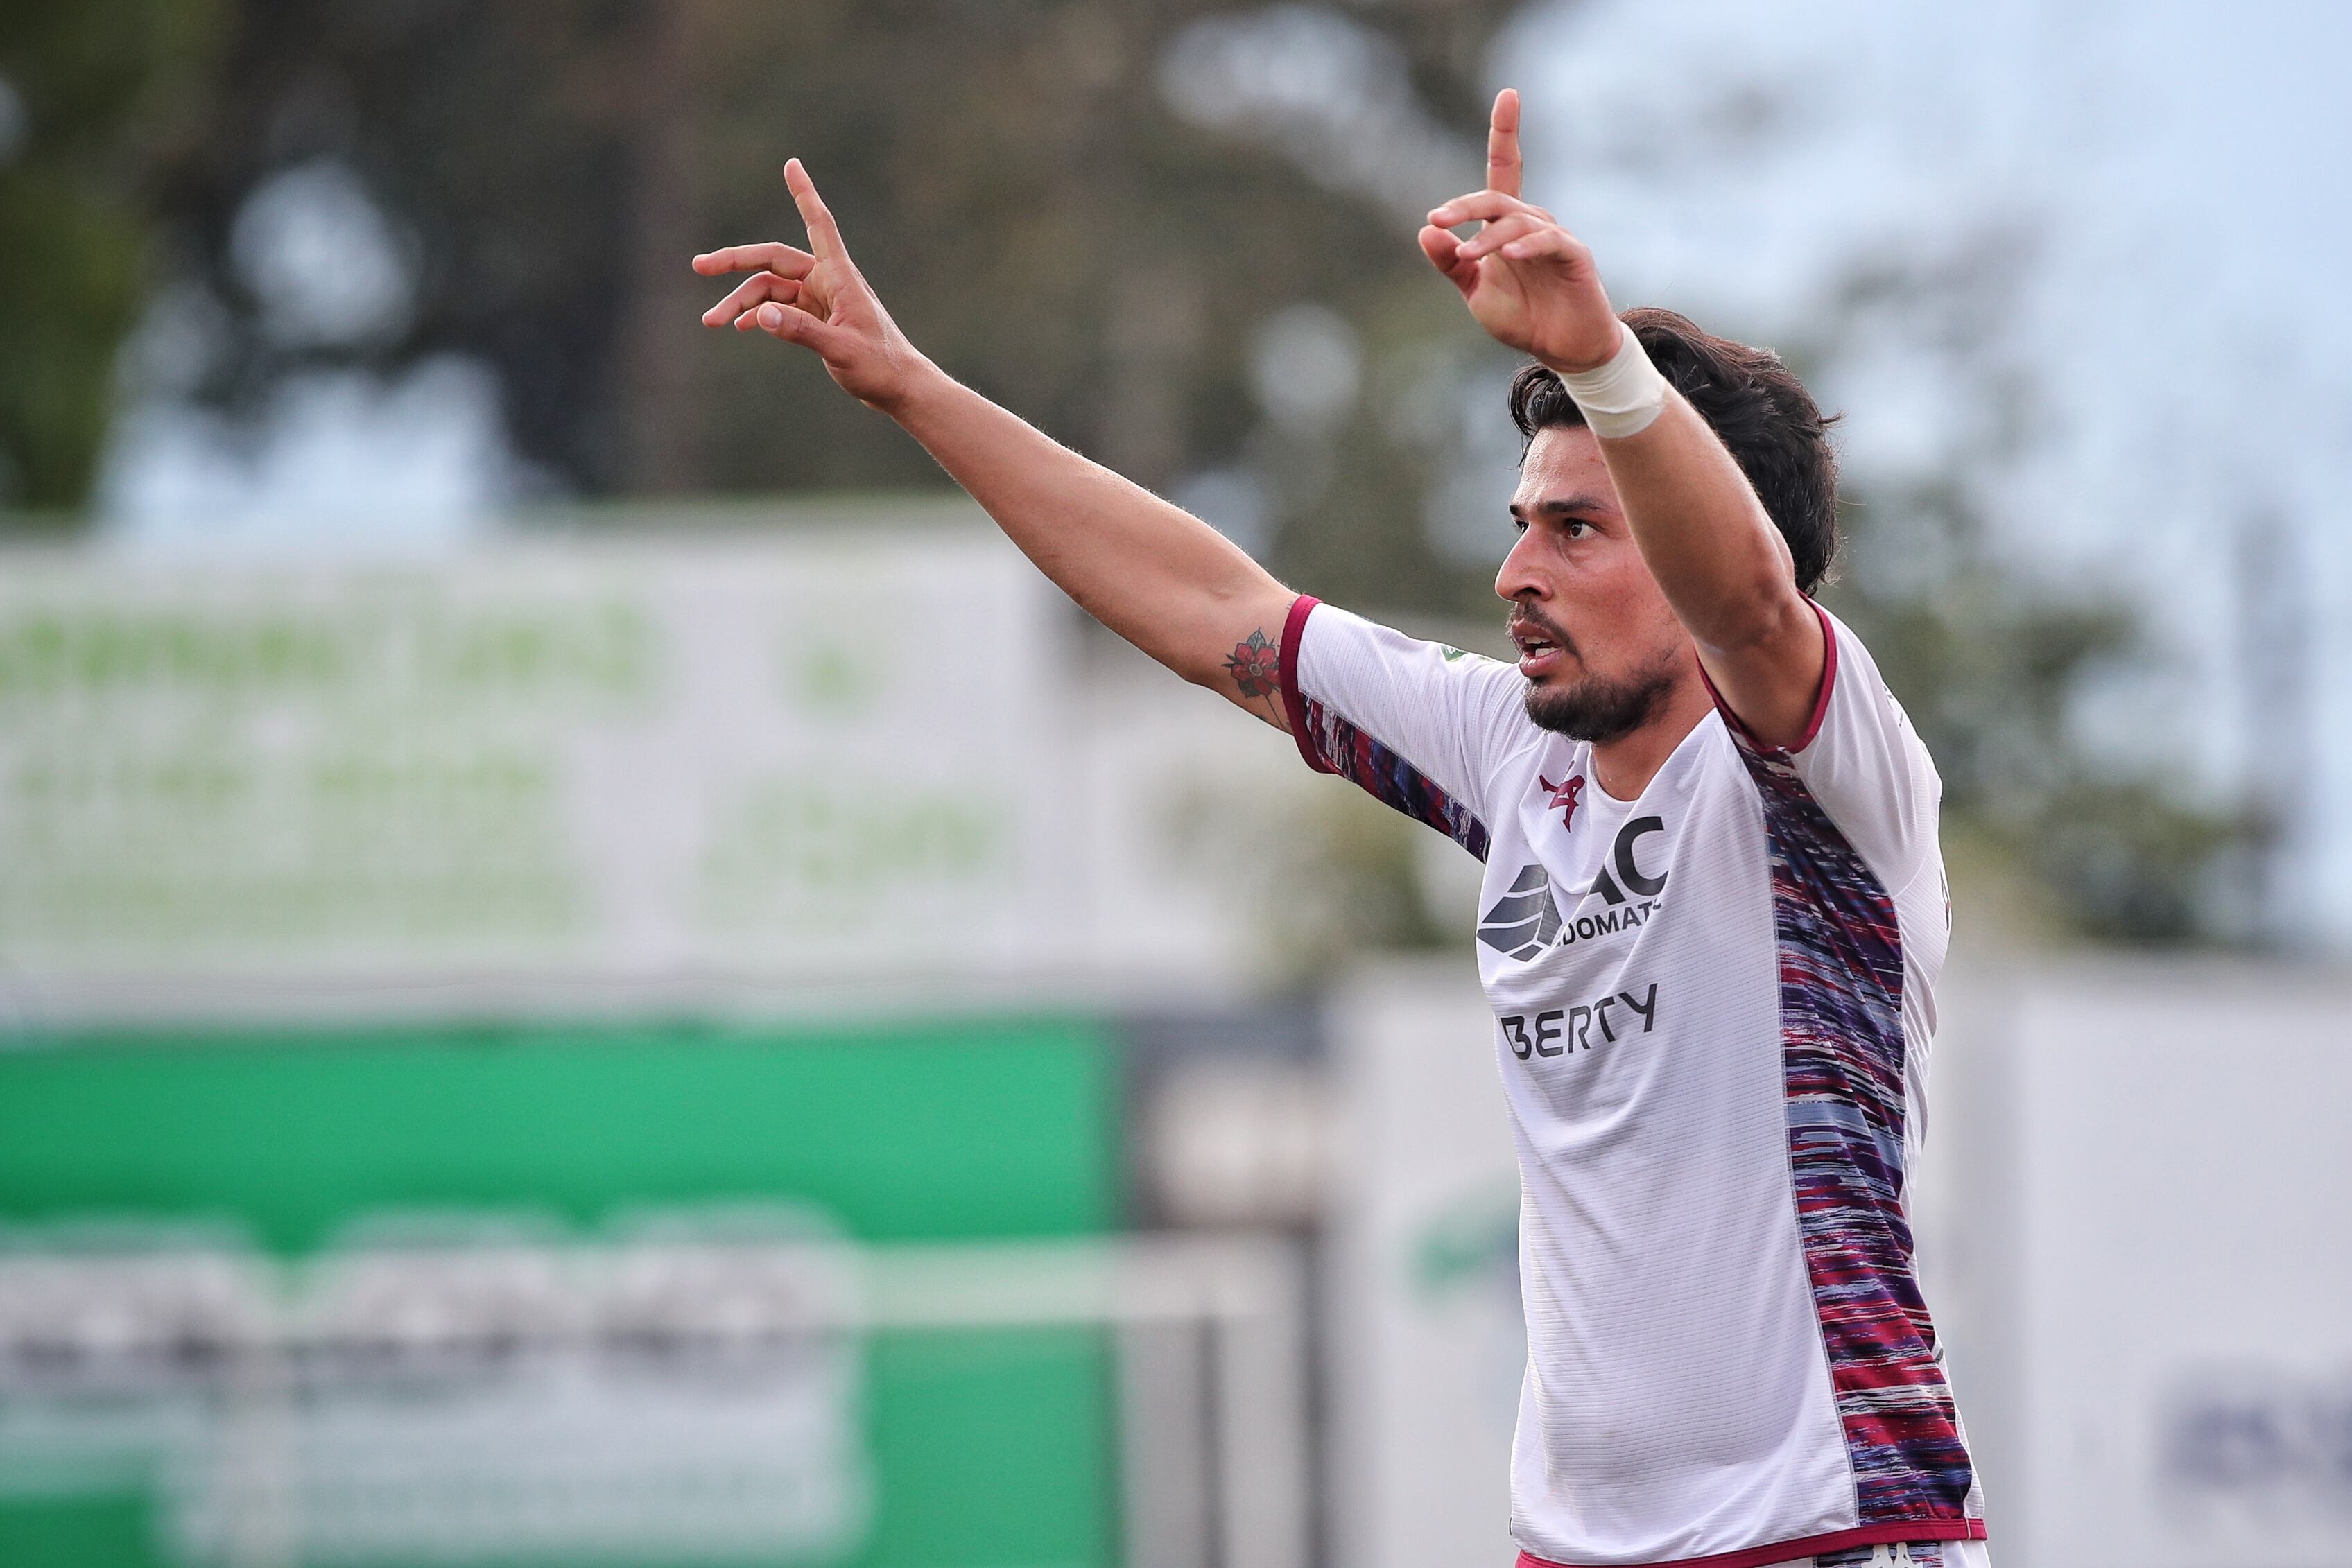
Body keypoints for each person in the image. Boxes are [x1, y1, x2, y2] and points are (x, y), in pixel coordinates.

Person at [694, 87, 1987, 1568]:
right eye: (1519, 519)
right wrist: (911, 382)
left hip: (1834, 1532)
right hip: (1575, 1548)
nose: (1516, 571)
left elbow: (1753, 605)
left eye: (1576, 528)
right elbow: (1217, 611)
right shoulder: (1513, 753)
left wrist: (1598, 357)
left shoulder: (1821, 776)